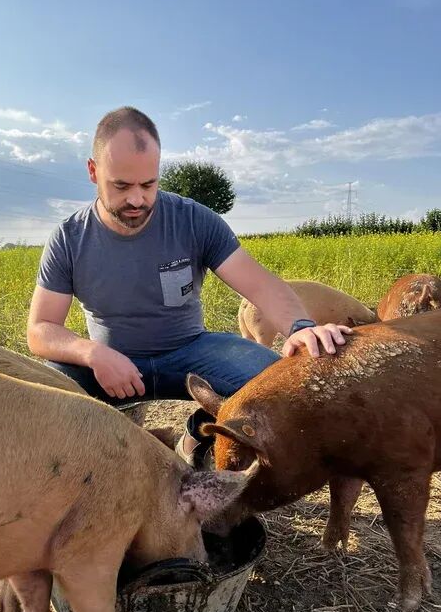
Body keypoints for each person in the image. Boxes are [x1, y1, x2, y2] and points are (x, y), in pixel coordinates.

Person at [27, 107, 351, 467]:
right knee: (44, 392)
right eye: (121, 186)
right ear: (93, 172)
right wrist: (92, 354)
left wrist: (300, 328)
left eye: (148, 184)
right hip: (110, 361)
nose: (137, 199)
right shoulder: (70, 238)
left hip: (190, 351)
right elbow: (41, 329)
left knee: (283, 388)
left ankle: (200, 434)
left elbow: (261, 285)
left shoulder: (193, 220)